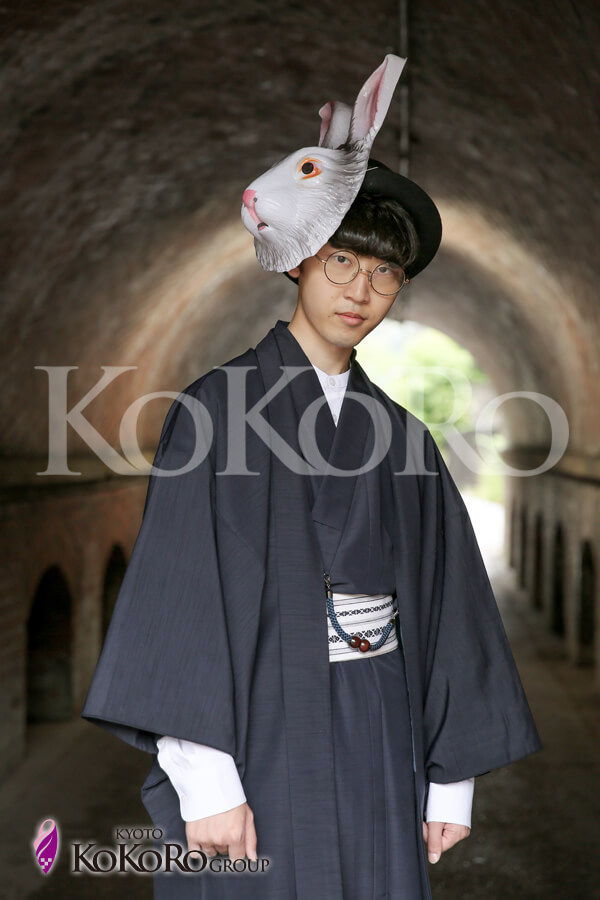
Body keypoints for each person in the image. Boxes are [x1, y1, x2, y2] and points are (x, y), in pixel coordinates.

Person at [81, 58, 542, 900]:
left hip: (379, 728)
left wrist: (451, 778)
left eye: (385, 273)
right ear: (298, 260)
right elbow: (179, 598)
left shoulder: (405, 439)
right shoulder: (214, 412)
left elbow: (450, 602)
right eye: (341, 261)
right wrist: (206, 781)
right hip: (257, 732)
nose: (361, 290)